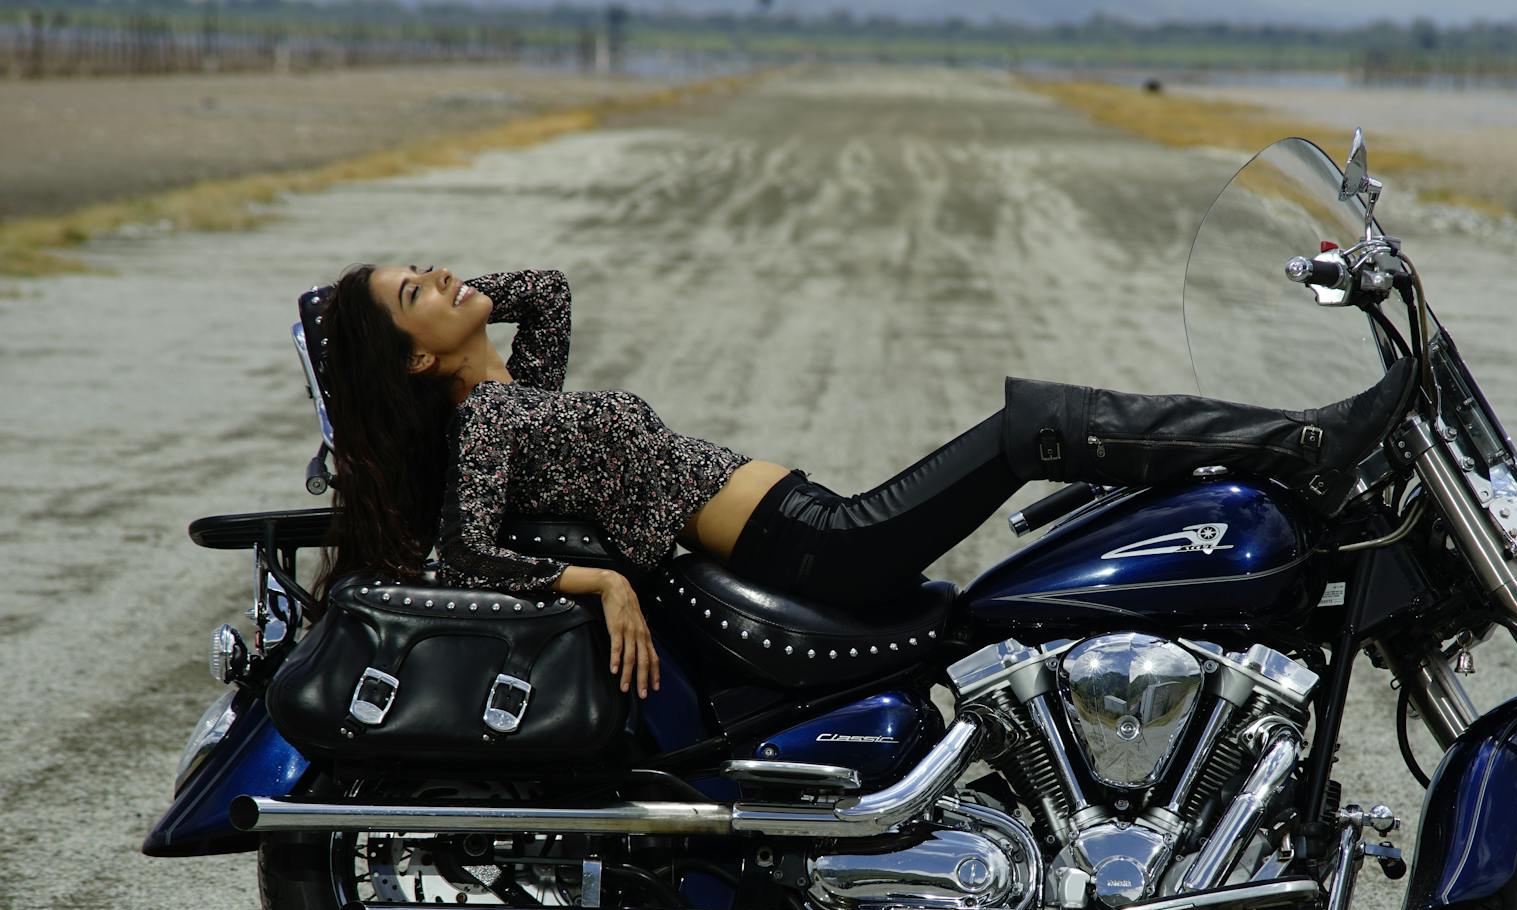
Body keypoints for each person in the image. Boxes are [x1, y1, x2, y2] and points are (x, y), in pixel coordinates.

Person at [301, 264, 1410, 700]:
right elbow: (466, 550)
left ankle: (1290, 448)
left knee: (1041, 445)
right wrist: (598, 582)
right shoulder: (491, 419)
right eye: (417, 292)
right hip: (813, 544)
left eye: (426, 266)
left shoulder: (516, 392)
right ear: (416, 361)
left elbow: (546, 290)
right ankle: (1302, 444)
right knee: (1031, 428)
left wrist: (456, 308)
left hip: (805, 520)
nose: (443, 273)